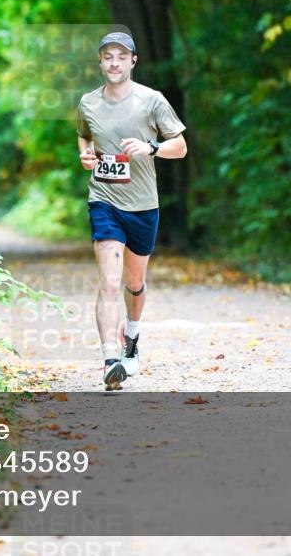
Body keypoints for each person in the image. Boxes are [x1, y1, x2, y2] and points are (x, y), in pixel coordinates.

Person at [77, 32, 187, 390]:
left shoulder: (151, 100)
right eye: (108, 56)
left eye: (121, 57)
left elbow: (180, 146)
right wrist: (85, 154)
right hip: (104, 200)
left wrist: (150, 148)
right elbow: (84, 135)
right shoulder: (88, 102)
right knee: (110, 282)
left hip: (142, 205)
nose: (114, 63)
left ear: (133, 61)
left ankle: (132, 336)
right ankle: (110, 360)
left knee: (134, 282)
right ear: (100, 61)